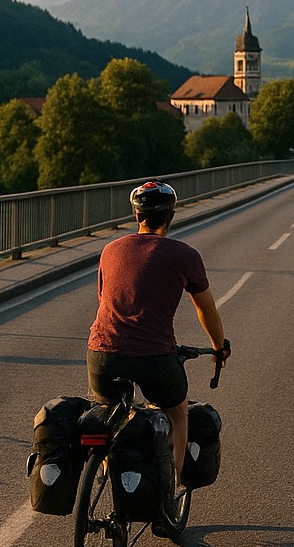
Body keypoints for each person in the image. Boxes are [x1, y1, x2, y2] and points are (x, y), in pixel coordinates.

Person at [87, 181, 228, 496]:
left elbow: (104, 300)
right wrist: (219, 347)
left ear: (136, 214)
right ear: (171, 215)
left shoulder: (110, 249)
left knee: (108, 412)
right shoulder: (185, 255)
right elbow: (207, 310)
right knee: (177, 411)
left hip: (102, 351)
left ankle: (111, 480)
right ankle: (169, 492)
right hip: (154, 357)